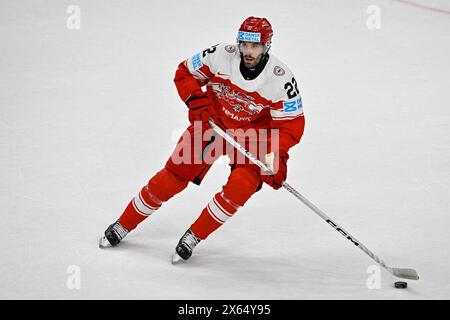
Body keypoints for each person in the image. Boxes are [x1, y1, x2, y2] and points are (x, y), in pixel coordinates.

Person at [99, 16, 305, 263]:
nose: (248, 52)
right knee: (173, 175)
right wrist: (197, 102)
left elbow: (289, 127)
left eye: (255, 46)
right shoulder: (220, 55)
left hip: (253, 134)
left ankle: (194, 235)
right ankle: (124, 223)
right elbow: (185, 72)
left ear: (267, 46)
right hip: (213, 121)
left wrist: (273, 157)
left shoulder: (281, 79)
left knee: (241, 187)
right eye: (244, 45)